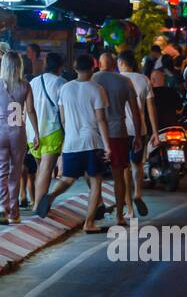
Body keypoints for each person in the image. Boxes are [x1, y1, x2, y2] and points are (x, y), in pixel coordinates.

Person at [35, 54, 110, 230]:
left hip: (71, 142)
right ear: (93, 68)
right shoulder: (97, 89)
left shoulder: (66, 88)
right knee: (96, 182)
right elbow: (101, 120)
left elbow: (62, 118)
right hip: (92, 142)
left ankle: (51, 195)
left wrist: (68, 135)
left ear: (75, 69)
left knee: (68, 178)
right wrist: (107, 146)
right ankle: (89, 223)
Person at [0, 51, 40, 225]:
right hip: (17, 132)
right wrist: (36, 133)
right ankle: (14, 211)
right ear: (19, 66)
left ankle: (1, 207)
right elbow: (31, 110)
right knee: (15, 172)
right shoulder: (25, 86)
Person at [92, 51, 144, 222]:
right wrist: (137, 135)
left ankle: (97, 207)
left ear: (99, 64)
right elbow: (135, 113)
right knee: (118, 176)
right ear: (115, 65)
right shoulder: (124, 81)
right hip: (118, 132)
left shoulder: (92, 80)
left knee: (93, 174)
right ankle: (120, 216)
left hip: (96, 134)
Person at [118, 50, 157, 211]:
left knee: (124, 167)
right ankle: (138, 194)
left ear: (121, 63)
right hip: (140, 129)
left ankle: (129, 209)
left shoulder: (118, 80)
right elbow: (151, 108)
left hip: (121, 130)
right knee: (137, 164)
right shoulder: (144, 79)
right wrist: (155, 131)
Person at [29, 53, 66, 212]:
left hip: (32, 132)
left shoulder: (33, 82)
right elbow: (63, 111)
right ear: (60, 66)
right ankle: (38, 205)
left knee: (40, 169)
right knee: (46, 169)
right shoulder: (60, 83)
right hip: (52, 130)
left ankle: (37, 201)